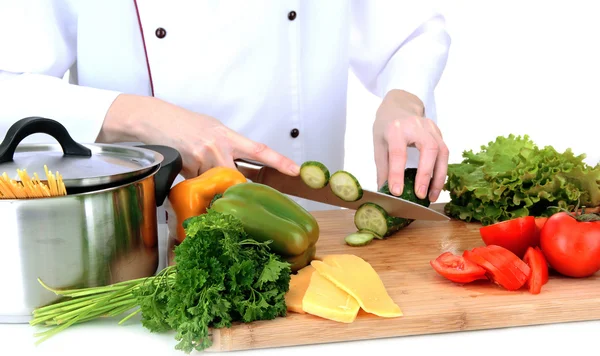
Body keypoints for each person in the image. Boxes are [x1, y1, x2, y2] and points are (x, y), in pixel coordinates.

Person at [0, 1, 451, 211]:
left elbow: (409, 32)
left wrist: (403, 99)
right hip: (143, 243)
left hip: (316, 228)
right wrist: (143, 117)